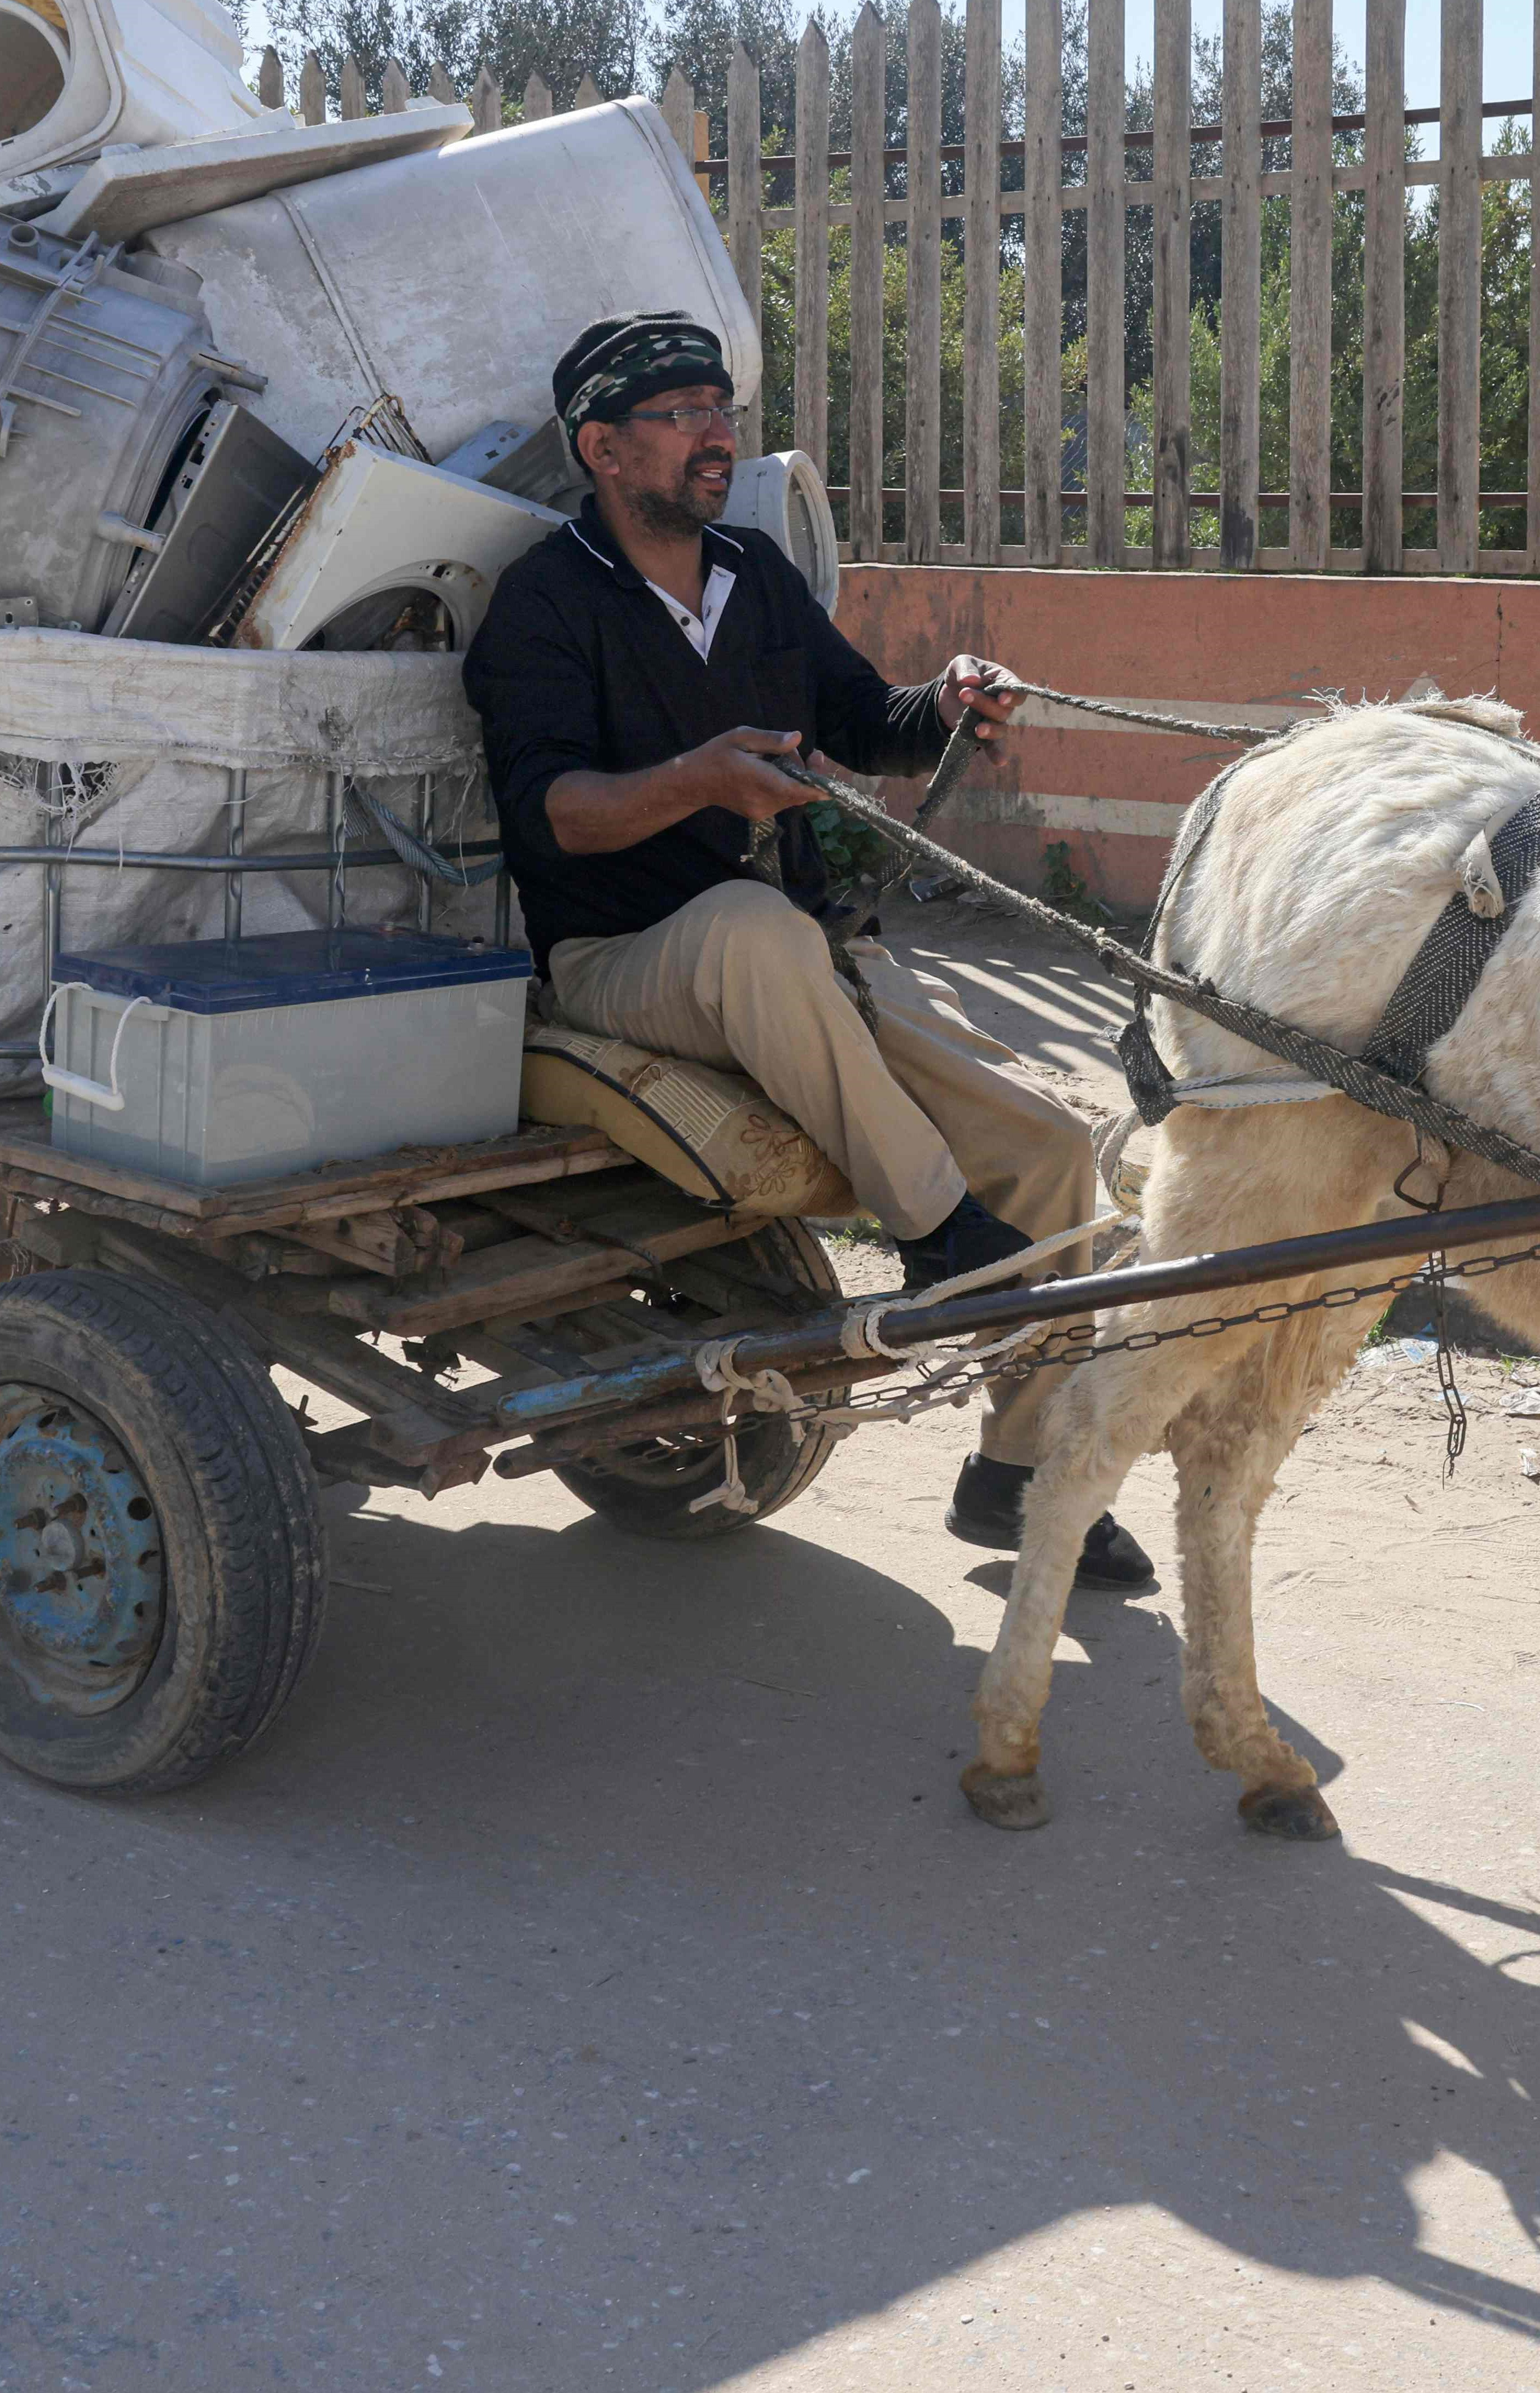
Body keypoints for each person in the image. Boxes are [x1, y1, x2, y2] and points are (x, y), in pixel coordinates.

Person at [461, 313, 1155, 1589]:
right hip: (621, 963)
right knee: (747, 927)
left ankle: (1019, 1477)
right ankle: (938, 1232)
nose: (718, 434)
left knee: (1053, 1154)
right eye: (681, 416)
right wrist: (699, 782)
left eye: (720, 406)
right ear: (603, 449)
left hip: (795, 961)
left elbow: (868, 723)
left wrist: (945, 703)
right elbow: (549, 810)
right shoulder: (543, 604)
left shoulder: (754, 573)